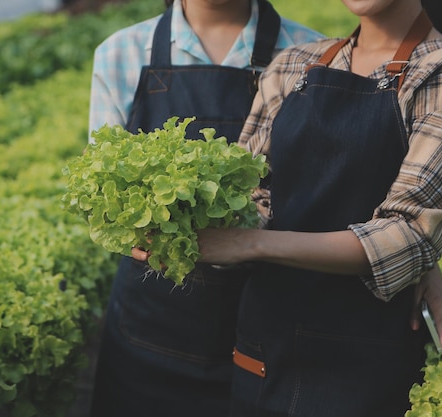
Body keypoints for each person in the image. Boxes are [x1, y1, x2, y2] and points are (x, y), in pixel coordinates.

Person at [132, 0, 442, 415]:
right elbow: (255, 198)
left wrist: (249, 244)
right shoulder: (293, 64)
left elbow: (407, 235)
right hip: (265, 343)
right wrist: (183, 230)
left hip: (365, 359)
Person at [87, 1, 322, 416]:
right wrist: (138, 234)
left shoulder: (313, 53)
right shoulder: (121, 53)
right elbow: (103, 196)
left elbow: (334, 188)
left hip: (269, 326)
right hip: (150, 328)